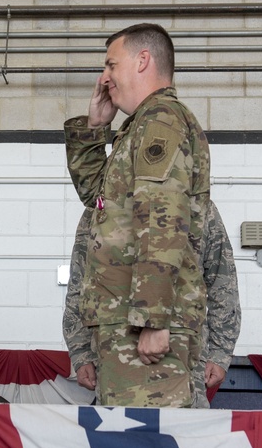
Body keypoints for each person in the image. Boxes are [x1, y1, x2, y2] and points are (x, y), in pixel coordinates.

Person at [64, 23, 211, 408]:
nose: (105, 77)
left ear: (143, 60)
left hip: (141, 324)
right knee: (128, 444)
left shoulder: (160, 121)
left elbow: (163, 222)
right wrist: (95, 130)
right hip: (124, 319)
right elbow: (96, 199)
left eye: (112, 64)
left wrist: (153, 320)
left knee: (144, 446)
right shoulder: (139, 126)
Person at [64, 199, 241, 408]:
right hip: (113, 356)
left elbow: (222, 284)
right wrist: (81, 353)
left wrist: (220, 354)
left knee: (182, 435)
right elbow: (82, 283)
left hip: (183, 355)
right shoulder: (100, 207)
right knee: (118, 435)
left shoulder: (197, 205)